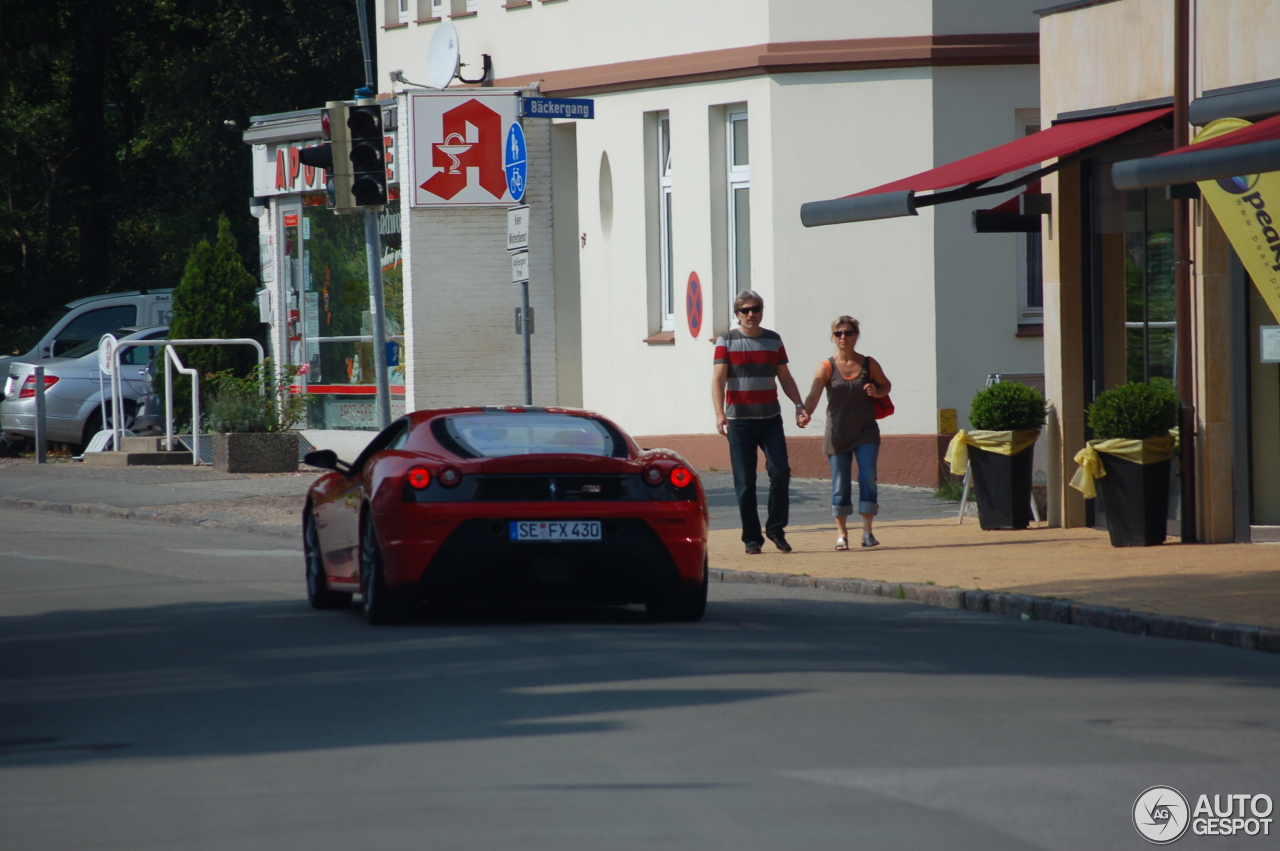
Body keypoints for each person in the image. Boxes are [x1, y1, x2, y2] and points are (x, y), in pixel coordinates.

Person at [712, 291, 810, 554]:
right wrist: (720, 414)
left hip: (770, 419)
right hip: (739, 422)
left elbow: (785, 377)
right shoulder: (727, 341)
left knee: (780, 471)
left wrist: (799, 405)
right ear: (737, 315)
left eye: (755, 309)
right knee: (745, 482)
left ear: (762, 311)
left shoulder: (773, 340)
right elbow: (719, 380)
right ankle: (751, 538)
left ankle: (776, 530)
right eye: (745, 310)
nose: (750, 314)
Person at [800, 315, 892, 550]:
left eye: (847, 333)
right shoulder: (827, 366)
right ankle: (841, 534)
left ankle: (868, 531)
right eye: (838, 333)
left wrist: (876, 391)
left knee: (867, 477)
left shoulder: (868, 364)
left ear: (855, 336)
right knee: (840, 483)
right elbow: (814, 392)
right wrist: (804, 411)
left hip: (866, 432)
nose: (843, 337)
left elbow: (886, 385)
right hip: (837, 434)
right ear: (833, 337)